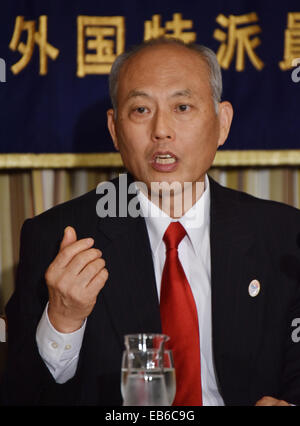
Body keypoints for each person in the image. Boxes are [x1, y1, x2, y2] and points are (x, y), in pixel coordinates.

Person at [2, 37, 300, 406]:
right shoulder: (59, 237)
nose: (161, 130)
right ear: (114, 130)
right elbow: (20, 392)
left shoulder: (285, 235)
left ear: (222, 124)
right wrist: (63, 320)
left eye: (183, 106)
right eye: (141, 110)